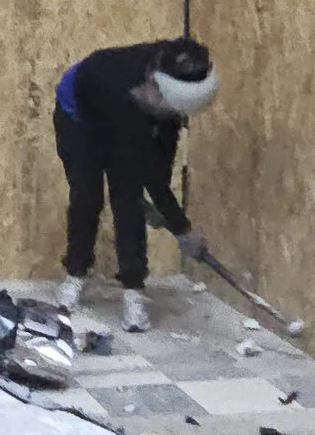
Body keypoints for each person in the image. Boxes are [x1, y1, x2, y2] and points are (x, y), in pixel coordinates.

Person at [53, 36, 218, 333]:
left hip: (124, 118)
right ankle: (75, 273)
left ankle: (133, 290)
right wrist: (181, 227)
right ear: (152, 83)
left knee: (129, 200)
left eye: (175, 112)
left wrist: (177, 224)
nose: (171, 116)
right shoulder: (109, 80)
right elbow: (131, 167)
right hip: (79, 116)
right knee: (87, 196)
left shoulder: (167, 108)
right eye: (168, 108)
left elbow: (157, 176)